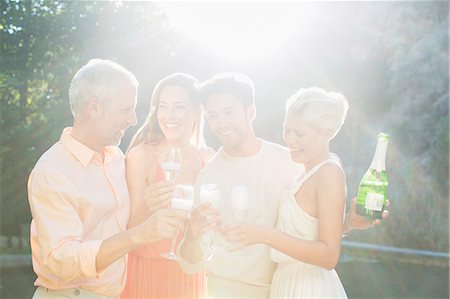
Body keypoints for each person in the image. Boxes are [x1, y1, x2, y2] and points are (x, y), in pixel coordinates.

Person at [179, 73, 388, 298]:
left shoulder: (292, 162)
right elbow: (190, 265)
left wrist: (346, 224)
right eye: (212, 116)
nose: (221, 124)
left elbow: (315, 238)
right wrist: (191, 235)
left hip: (286, 289)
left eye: (229, 112)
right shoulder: (208, 178)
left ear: (251, 112)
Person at [27, 59, 189, 299]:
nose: (133, 119)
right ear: (94, 108)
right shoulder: (52, 172)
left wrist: (148, 203)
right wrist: (140, 235)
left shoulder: (115, 157)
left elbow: (121, 225)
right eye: (126, 109)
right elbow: (60, 260)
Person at [225, 87, 350, 298]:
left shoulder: (328, 173)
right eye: (287, 130)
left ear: (326, 133)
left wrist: (265, 235)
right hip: (286, 284)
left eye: (299, 133)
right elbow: (313, 230)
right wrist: (350, 223)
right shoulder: (306, 171)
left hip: (309, 288)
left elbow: (329, 255)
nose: (289, 140)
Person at [120, 73, 216, 299]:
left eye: (179, 107)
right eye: (162, 106)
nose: (169, 115)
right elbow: (128, 228)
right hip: (146, 272)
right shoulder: (142, 155)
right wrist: (148, 204)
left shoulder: (208, 159)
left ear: (197, 111)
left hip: (190, 273)